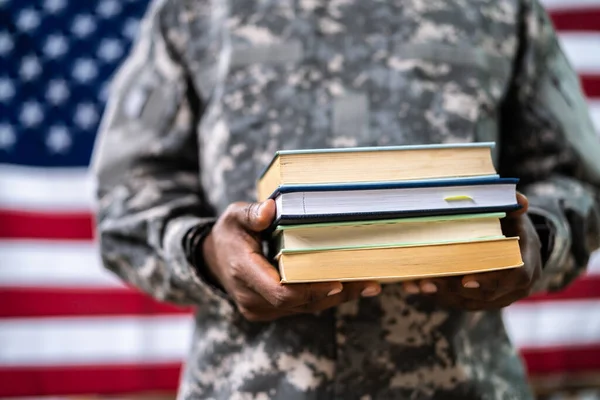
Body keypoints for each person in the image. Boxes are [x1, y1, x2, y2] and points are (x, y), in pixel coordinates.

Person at [91, 0, 600, 398]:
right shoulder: (194, 10)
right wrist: (205, 253)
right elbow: (127, 199)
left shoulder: (505, 8)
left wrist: (538, 239)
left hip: (462, 384)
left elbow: (575, 183)